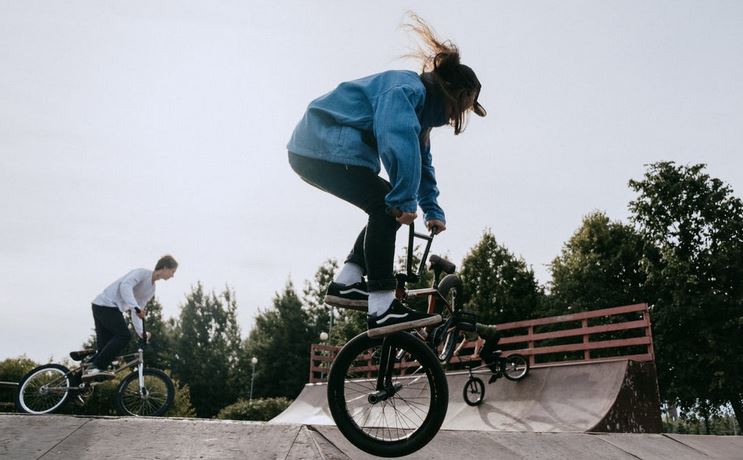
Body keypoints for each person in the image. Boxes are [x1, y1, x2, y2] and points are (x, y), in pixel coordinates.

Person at [288, 14, 486, 337]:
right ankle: (381, 307)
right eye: (458, 109)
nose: (454, 120)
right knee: (386, 204)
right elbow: (397, 140)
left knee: (384, 204)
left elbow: (421, 159)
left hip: (319, 148)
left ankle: (348, 280)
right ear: (448, 92)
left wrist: (431, 209)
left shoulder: (419, 111)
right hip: (319, 143)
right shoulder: (405, 90)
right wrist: (404, 201)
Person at [83, 255, 178, 380]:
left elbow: (137, 312)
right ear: (165, 267)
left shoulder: (151, 289)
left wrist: (141, 332)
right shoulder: (142, 273)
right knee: (124, 336)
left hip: (104, 307)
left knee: (104, 351)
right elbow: (125, 286)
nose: (172, 276)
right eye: (172, 272)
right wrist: (136, 308)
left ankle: (77, 379)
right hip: (106, 304)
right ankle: (96, 367)